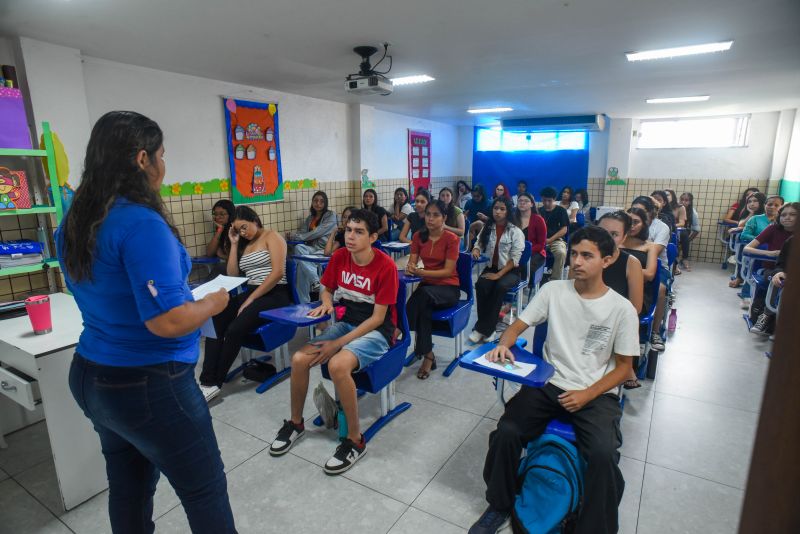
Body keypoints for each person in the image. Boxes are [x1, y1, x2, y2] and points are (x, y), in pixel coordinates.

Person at [56, 111, 236, 532]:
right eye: (162, 154)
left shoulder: (75, 219)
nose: (163, 163)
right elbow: (169, 321)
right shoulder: (140, 223)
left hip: (91, 376)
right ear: (142, 159)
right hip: (148, 384)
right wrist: (213, 302)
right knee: (204, 490)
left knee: (129, 488)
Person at [469, 226, 639, 534]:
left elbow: (625, 369)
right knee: (507, 431)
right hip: (549, 383)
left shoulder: (621, 309)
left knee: (602, 454)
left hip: (596, 393)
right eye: (574, 254)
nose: (577, 262)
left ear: (608, 260)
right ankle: (499, 505)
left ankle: (591, 527)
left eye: (587, 255)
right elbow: (516, 325)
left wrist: (587, 394)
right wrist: (505, 342)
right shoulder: (553, 291)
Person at [269, 209, 399, 475]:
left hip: (376, 330)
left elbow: (377, 319)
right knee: (298, 359)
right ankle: (295, 423)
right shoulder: (339, 257)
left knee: (339, 365)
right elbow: (327, 289)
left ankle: (354, 440)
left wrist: (338, 343)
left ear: (373, 237)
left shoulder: (385, 266)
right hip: (347, 322)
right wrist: (326, 304)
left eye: (359, 231)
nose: (350, 236)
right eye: (348, 230)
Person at [199, 206, 292, 401]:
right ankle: (206, 381)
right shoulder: (244, 244)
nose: (243, 232)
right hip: (252, 292)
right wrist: (233, 244)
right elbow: (233, 274)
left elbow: (277, 273)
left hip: (275, 294)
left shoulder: (272, 236)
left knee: (234, 329)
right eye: (238, 230)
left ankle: (217, 381)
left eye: (244, 227)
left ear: (254, 219)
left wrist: (250, 299)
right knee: (215, 320)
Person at [405, 200, 461, 379]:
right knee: (424, 310)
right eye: (428, 214)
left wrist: (422, 272)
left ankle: (401, 328)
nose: (430, 218)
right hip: (427, 289)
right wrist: (411, 267)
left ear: (444, 218)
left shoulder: (452, 239)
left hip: (448, 288)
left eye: (436, 215)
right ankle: (428, 356)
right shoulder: (418, 236)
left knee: (421, 295)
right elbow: (412, 261)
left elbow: (448, 271)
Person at [468, 197, 525, 344]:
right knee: (481, 285)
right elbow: (479, 242)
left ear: (508, 211)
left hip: (511, 271)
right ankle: (486, 328)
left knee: (499, 286)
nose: (498, 212)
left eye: (502, 209)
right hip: (492, 267)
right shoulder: (488, 226)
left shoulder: (515, 231)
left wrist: (498, 275)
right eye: (495, 208)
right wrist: (475, 249)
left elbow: (514, 259)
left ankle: (484, 329)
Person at [630, 196, 669, 352]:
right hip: (633, 263)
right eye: (634, 209)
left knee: (659, 289)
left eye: (642, 211)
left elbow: (655, 252)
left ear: (651, 213)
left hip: (656, 265)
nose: (636, 213)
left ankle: (655, 331)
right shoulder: (627, 226)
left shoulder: (661, 228)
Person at [287, 191, 337, 303]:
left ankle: (307, 294)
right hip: (311, 249)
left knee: (301, 265)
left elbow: (317, 232)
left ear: (325, 203)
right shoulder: (310, 218)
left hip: (323, 250)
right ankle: (313, 286)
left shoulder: (330, 215)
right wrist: (293, 236)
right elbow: (302, 232)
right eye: (315, 201)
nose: (318, 203)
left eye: (321, 201)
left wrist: (298, 236)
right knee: (299, 249)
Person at [749, 235, 792, 336]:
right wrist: (780, 272)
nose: (788, 218)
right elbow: (780, 264)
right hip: (783, 272)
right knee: (777, 278)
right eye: (784, 217)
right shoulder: (791, 240)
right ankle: (767, 314)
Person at [729, 192, 767, 288]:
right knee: (744, 249)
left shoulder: (768, 216)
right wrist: (751, 213)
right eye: (749, 201)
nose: (752, 204)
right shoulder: (748, 214)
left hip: (766, 245)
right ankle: (739, 277)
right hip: (751, 243)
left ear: (762, 202)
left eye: (755, 201)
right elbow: (741, 225)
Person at [540, 186, 570, 281]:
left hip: (556, 241)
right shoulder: (538, 211)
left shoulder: (561, 211)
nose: (546, 203)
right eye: (544, 200)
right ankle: (533, 279)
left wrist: (549, 240)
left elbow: (564, 229)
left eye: (549, 200)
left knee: (561, 253)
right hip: (540, 241)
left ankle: (554, 280)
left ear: (554, 199)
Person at [513, 192, 547, 274]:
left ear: (532, 204)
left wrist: (525, 252)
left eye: (526, 201)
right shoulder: (513, 219)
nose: (522, 203)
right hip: (515, 252)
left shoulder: (539, 220)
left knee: (524, 267)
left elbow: (541, 245)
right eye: (520, 201)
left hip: (535, 253)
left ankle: (528, 286)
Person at [678, 192, 701, 271]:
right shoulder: (674, 208)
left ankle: (685, 259)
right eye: (681, 199)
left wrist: (687, 241)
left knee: (684, 234)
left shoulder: (693, 212)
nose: (683, 202)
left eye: (686, 200)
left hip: (684, 234)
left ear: (690, 202)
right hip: (673, 231)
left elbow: (696, 230)